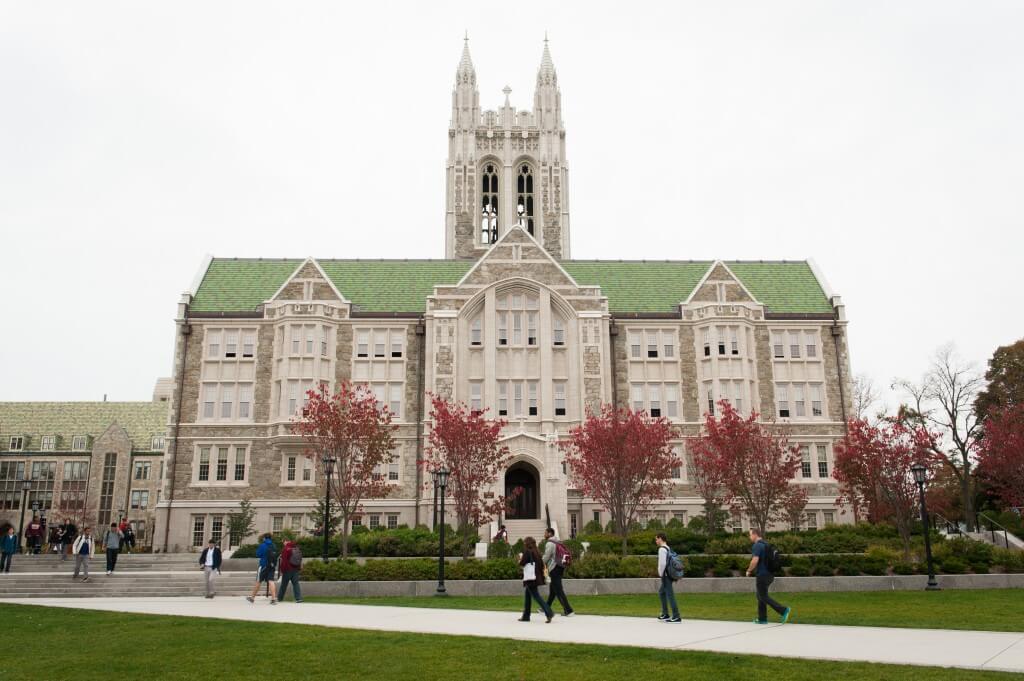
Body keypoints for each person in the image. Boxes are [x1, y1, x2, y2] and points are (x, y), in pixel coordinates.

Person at [746, 528, 791, 624]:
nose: (749, 537)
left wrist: (749, 570)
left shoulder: (757, 545)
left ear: (755, 534)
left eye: (750, 535)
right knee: (760, 596)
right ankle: (762, 619)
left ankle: (783, 610)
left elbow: (754, 560)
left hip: (762, 575)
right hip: (770, 575)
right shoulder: (766, 544)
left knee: (762, 596)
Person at [517, 536, 553, 623]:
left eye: (525, 543)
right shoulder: (537, 552)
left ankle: (549, 612)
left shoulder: (527, 552)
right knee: (528, 596)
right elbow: (541, 564)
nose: (524, 544)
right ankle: (526, 616)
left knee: (536, 596)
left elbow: (522, 563)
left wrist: (519, 560)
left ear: (527, 543)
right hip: (536, 577)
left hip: (530, 578)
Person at [542, 528, 573, 616]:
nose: (544, 534)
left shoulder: (550, 543)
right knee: (553, 590)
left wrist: (539, 563)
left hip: (554, 567)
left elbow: (546, 557)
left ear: (549, 533)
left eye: (545, 533)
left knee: (558, 590)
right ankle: (546, 607)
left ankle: (568, 610)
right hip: (560, 566)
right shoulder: (558, 542)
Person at [655, 532, 681, 622]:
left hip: (665, 575)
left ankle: (676, 616)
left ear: (661, 539)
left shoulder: (662, 549)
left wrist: (660, 574)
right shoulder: (668, 548)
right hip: (669, 574)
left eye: (656, 539)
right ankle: (665, 614)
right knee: (662, 592)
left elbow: (662, 564)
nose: (656, 541)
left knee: (670, 595)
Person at [246, 534, 278, 605]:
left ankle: (252, 598)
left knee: (258, 581)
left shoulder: (262, 545)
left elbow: (258, 554)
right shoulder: (274, 545)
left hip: (263, 565)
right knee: (271, 581)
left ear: (264, 538)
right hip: (272, 566)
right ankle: (273, 599)